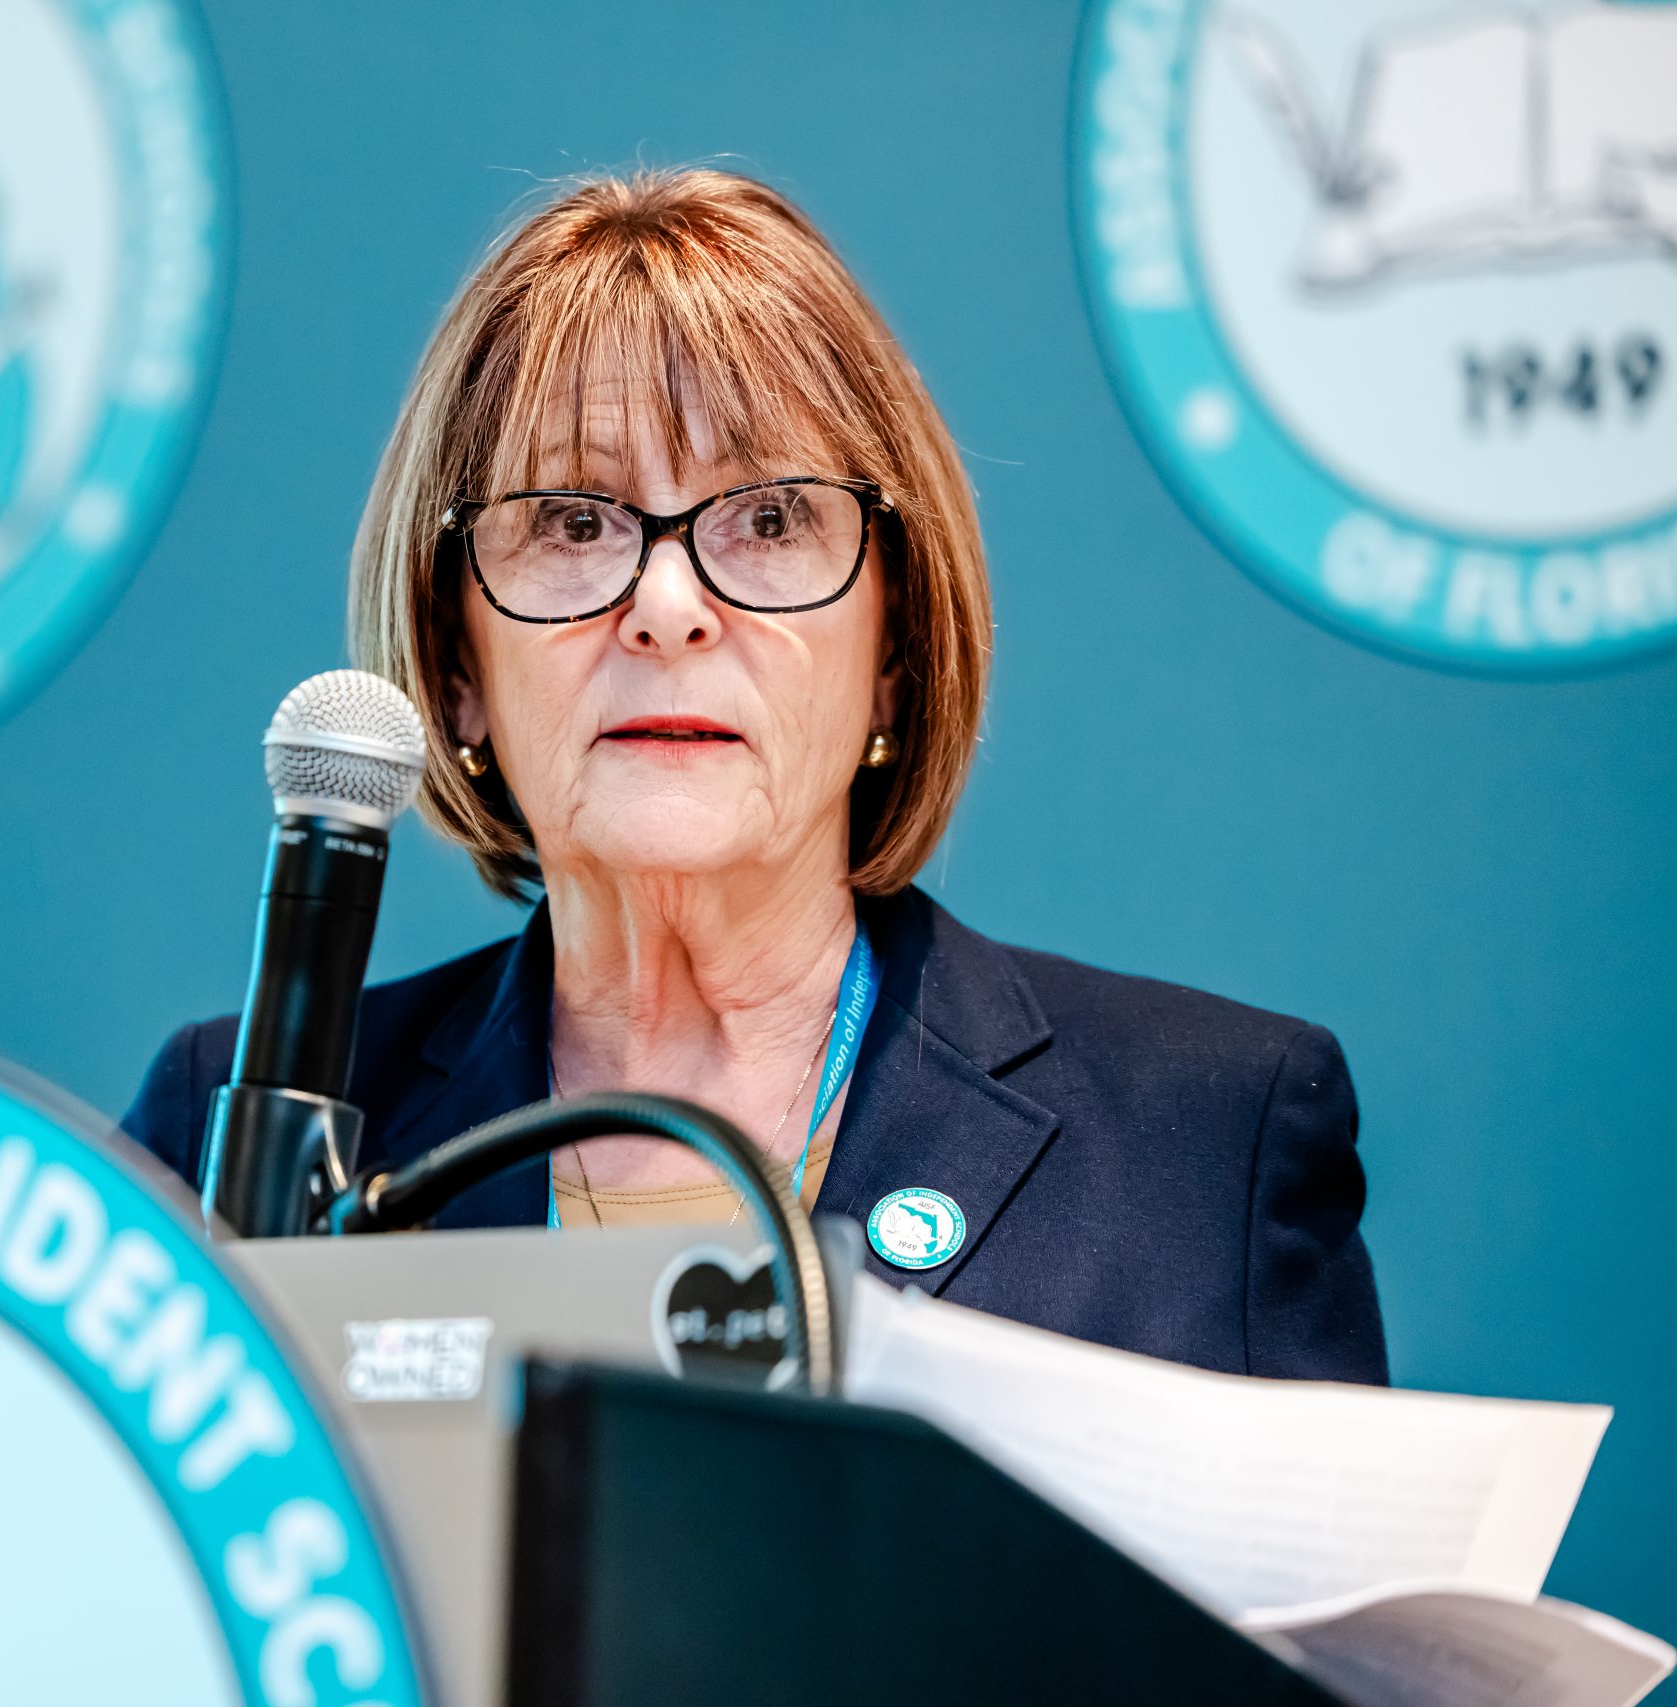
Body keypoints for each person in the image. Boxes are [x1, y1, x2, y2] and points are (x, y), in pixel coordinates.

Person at [121, 168, 1385, 1382]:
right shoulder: (225, 1135)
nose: (667, 609)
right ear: (458, 668)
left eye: (770, 518)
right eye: (574, 521)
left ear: (892, 654)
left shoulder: (1205, 1148)